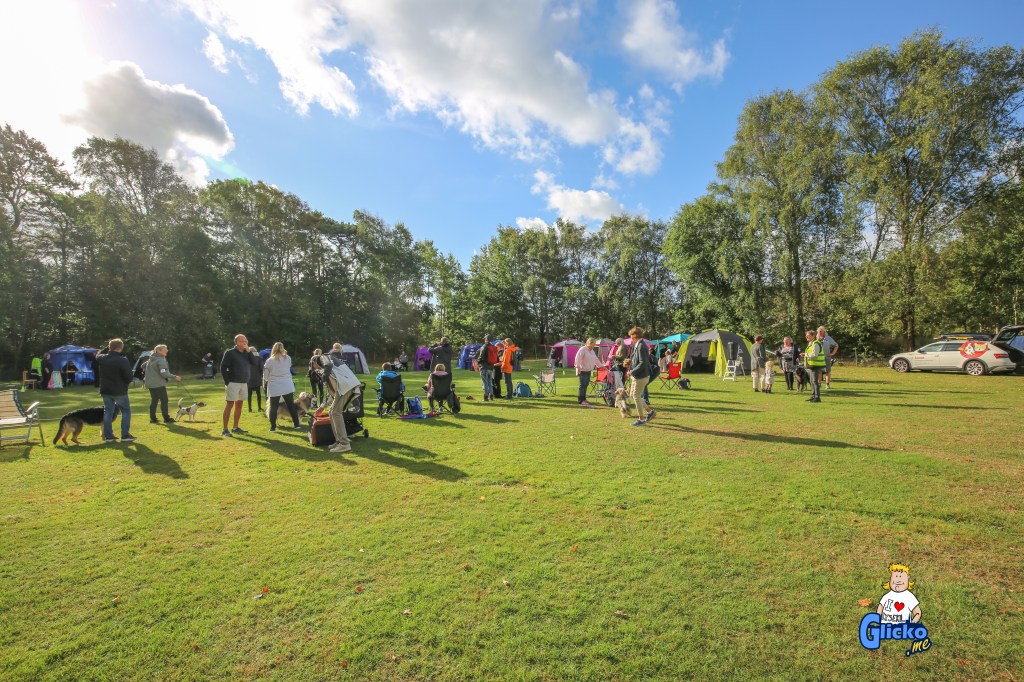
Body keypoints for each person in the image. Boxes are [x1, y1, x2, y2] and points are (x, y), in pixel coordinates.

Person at [97, 338, 136, 443]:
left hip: (105, 389)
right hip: (119, 390)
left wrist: (108, 347)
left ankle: (108, 436)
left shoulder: (101, 358)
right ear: (121, 348)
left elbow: (98, 354)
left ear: (109, 347)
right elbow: (129, 376)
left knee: (108, 411)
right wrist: (126, 383)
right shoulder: (122, 360)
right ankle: (125, 435)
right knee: (126, 411)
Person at [320, 353, 360, 454]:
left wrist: (324, 379)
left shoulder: (323, 357)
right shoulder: (332, 367)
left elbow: (328, 365)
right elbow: (332, 394)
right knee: (332, 412)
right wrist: (322, 406)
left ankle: (344, 444)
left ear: (314, 362)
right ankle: (339, 441)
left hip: (346, 387)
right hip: (345, 387)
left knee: (335, 412)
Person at [220, 334, 256, 436]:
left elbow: (254, 363)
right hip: (233, 383)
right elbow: (223, 368)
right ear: (236, 342)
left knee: (239, 404)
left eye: (246, 341)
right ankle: (225, 429)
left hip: (244, 383)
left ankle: (235, 427)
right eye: (242, 341)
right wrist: (227, 382)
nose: (245, 343)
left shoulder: (247, 353)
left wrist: (249, 351)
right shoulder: (230, 353)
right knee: (230, 404)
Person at [264, 342, 302, 432]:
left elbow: (265, 376)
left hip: (275, 385)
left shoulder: (269, 360)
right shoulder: (287, 358)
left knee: (273, 407)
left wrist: (270, 378)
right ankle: (296, 424)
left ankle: (273, 427)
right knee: (291, 405)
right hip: (286, 384)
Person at [143, 344, 181, 423]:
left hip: (150, 384)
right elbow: (164, 373)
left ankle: (153, 419)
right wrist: (175, 376)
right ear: (159, 351)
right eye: (165, 349)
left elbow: (142, 366)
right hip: (158, 384)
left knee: (154, 400)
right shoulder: (160, 360)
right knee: (164, 400)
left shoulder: (151, 359)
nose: (167, 350)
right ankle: (166, 419)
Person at [628, 327, 655, 426]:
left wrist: (632, 371)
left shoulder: (641, 346)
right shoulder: (639, 344)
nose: (631, 338)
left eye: (631, 336)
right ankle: (649, 411)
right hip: (638, 376)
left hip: (641, 376)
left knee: (636, 396)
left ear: (634, 336)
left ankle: (641, 419)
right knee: (633, 395)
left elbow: (643, 363)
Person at [574, 338, 602, 407]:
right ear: (590, 343)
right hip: (582, 370)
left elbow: (595, 359)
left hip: (589, 370)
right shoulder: (583, 349)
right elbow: (577, 358)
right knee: (582, 385)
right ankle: (580, 400)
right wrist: (578, 367)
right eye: (593, 344)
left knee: (586, 385)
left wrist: (601, 366)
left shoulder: (592, 351)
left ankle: (584, 399)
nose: (594, 345)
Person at [802, 330, 826, 403]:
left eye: (808, 335)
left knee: (815, 381)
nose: (806, 337)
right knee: (812, 381)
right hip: (811, 365)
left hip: (816, 365)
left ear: (813, 336)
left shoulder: (815, 343)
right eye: (806, 335)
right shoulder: (811, 343)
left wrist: (805, 355)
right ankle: (813, 396)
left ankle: (817, 397)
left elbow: (815, 354)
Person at [818, 326, 839, 390]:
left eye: (821, 331)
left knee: (827, 371)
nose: (820, 332)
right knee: (819, 371)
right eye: (819, 331)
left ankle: (827, 385)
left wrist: (832, 353)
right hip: (818, 358)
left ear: (824, 332)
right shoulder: (816, 339)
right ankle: (819, 384)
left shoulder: (828, 338)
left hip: (827, 357)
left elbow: (836, 345)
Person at [475, 335, 495, 401]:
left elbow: (481, 356)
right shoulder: (493, 346)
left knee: (485, 382)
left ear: (486, 339)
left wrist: (478, 362)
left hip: (484, 366)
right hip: (491, 367)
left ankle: (486, 397)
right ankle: (491, 396)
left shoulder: (485, 346)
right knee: (490, 382)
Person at [247, 342, 264, 414]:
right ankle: (259, 407)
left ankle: (249, 408)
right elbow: (262, 368)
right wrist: (261, 375)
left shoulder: (246, 358)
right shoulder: (259, 358)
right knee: (258, 394)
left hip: (248, 378)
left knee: (249, 395)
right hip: (257, 378)